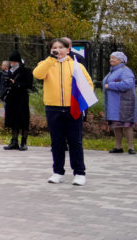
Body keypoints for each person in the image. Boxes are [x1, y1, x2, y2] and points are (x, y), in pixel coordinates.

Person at [33, 37, 95, 186]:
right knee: (57, 142)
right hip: (53, 108)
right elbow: (37, 74)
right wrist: (50, 59)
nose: (58, 50)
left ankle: (79, 172)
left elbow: (88, 85)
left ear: (68, 50)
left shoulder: (76, 66)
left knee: (75, 141)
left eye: (61, 47)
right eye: (55, 47)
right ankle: (58, 172)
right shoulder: (46, 64)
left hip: (72, 108)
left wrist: (81, 103)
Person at [103, 51, 136, 154]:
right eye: (111, 58)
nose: (111, 60)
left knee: (126, 125)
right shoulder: (112, 71)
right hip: (114, 104)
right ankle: (118, 147)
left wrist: (111, 85)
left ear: (121, 60)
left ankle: (131, 148)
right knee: (116, 126)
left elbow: (128, 84)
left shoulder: (125, 70)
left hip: (123, 103)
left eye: (114, 58)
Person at [2, 51, 34, 151]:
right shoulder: (9, 71)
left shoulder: (26, 71)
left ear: (18, 62)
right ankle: (14, 141)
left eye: (14, 62)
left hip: (22, 98)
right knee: (13, 119)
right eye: (11, 62)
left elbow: (29, 84)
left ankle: (23, 142)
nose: (12, 64)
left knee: (23, 119)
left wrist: (16, 83)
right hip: (12, 98)